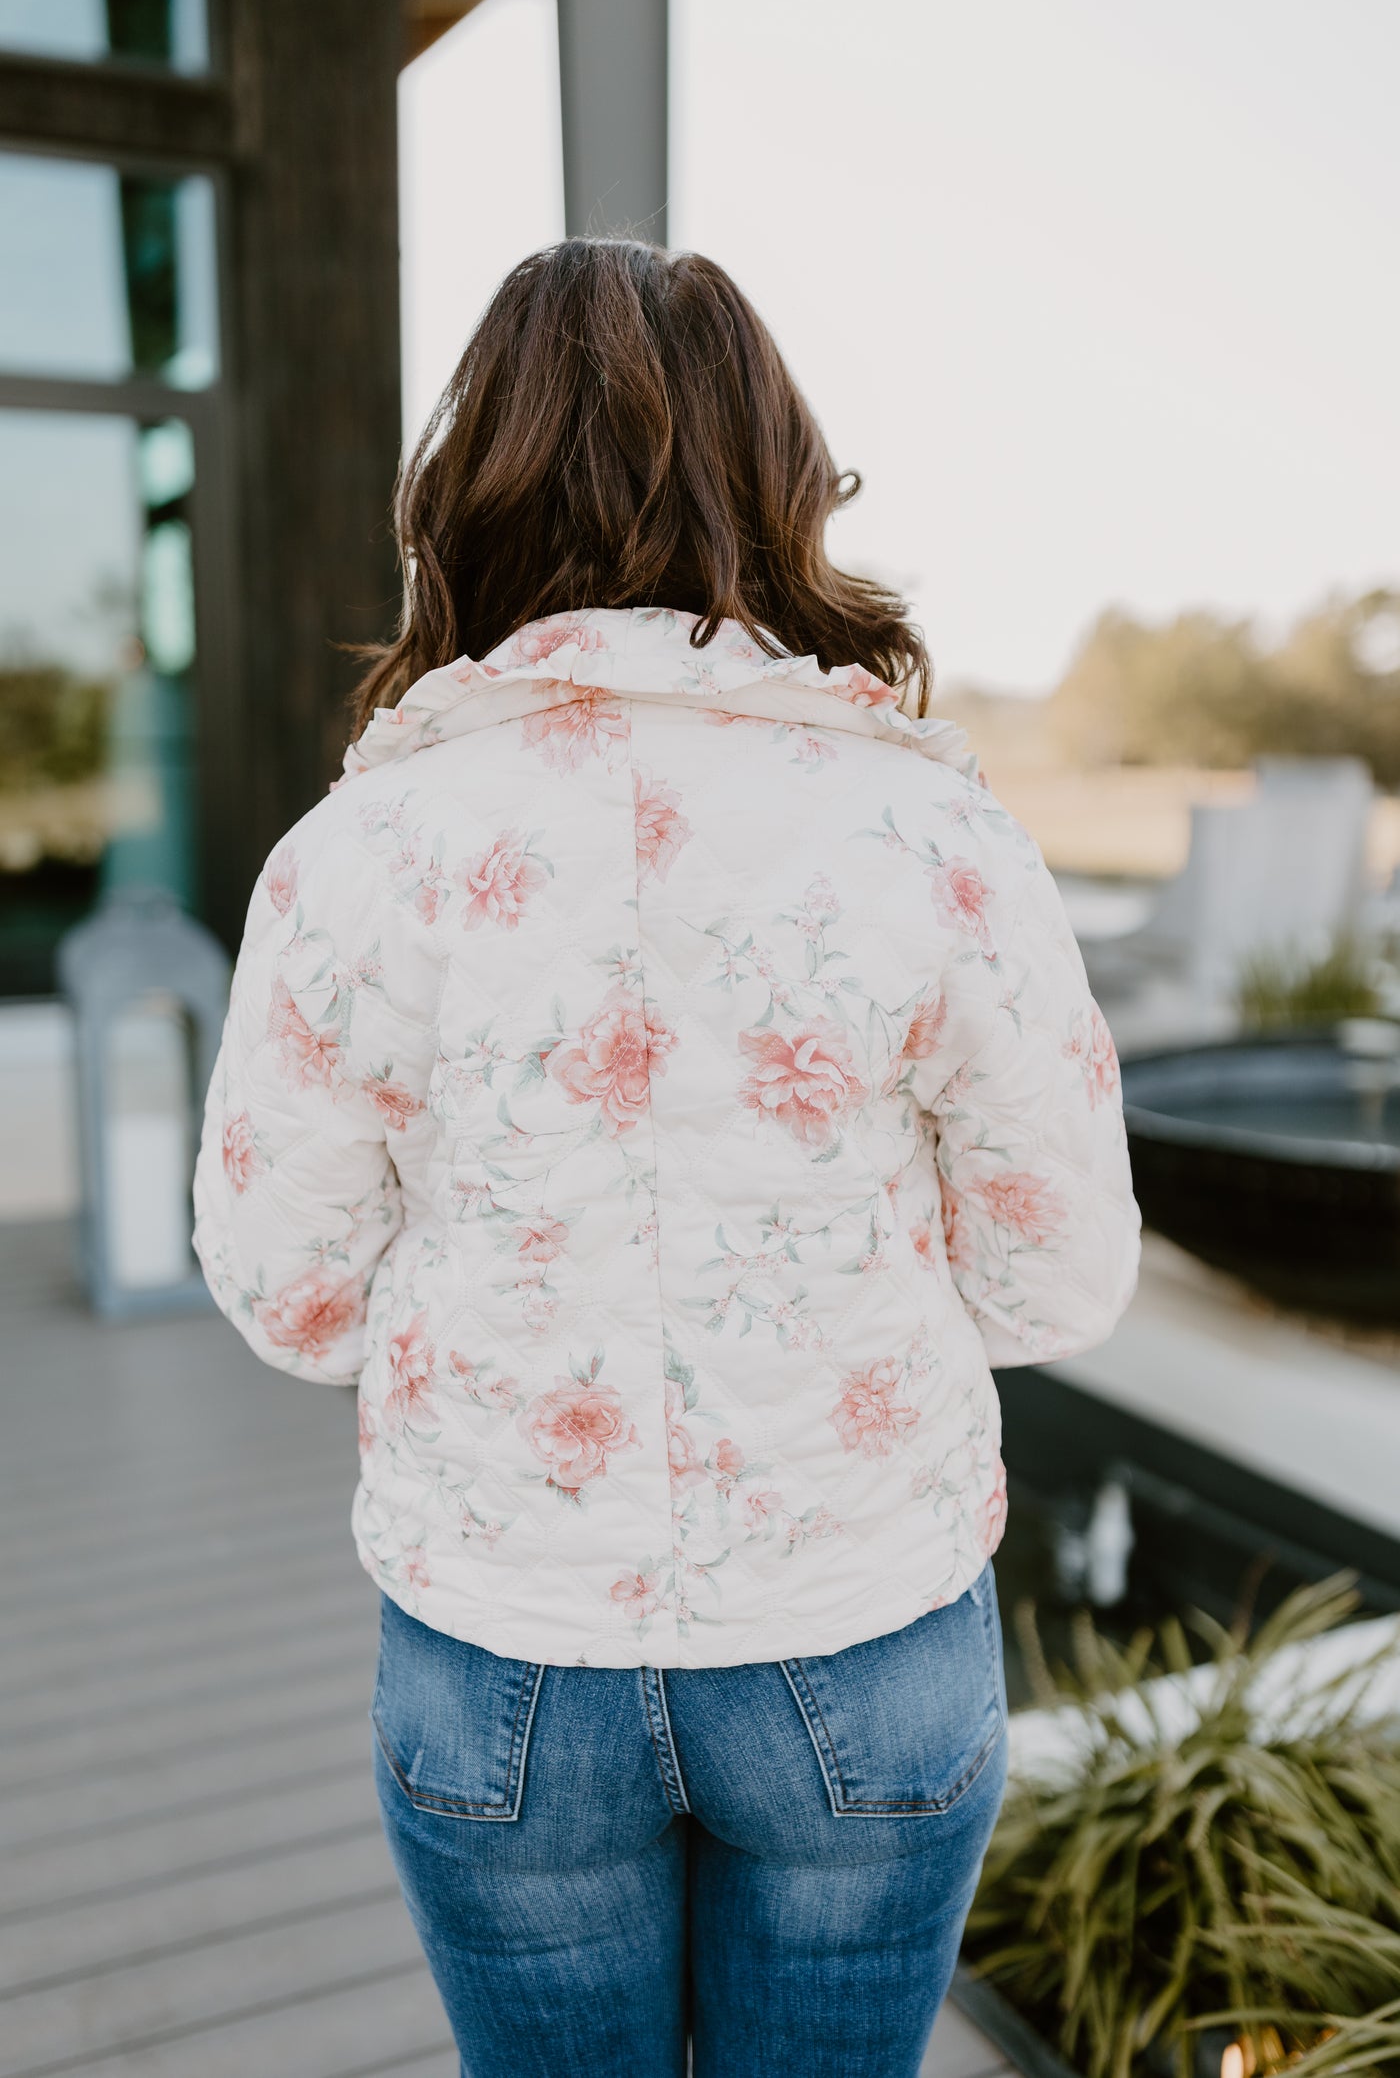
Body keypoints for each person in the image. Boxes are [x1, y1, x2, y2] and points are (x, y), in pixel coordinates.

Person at [193, 238, 1139, 2078]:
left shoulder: (355, 853)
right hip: (864, 1632)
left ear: (466, 493)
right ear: (776, 479)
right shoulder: (934, 834)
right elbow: (1065, 1277)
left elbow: (291, 1299)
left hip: (502, 1654)